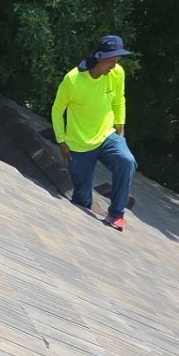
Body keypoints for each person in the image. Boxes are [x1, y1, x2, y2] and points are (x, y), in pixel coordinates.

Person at [53, 35, 137, 230]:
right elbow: (57, 111)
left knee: (127, 161)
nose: (115, 65)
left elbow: (119, 100)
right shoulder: (73, 80)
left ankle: (116, 214)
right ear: (99, 58)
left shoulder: (117, 73)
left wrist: (120, 126)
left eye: (117, 61)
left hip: (107, 135)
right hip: (79, 143)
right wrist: (61, 141)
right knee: (81, 200)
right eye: (111, 60)